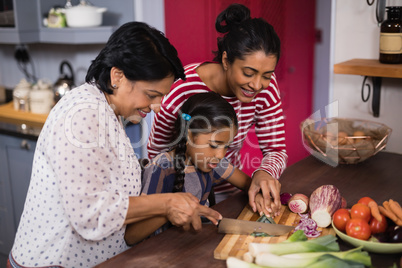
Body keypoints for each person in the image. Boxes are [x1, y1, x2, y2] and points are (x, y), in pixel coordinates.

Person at [8, 22, 222, 268]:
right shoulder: (81, 115)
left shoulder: (106, 110)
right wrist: (167, 202)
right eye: (152, 95)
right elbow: (90, 214)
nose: (157, 106)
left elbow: (105, 176)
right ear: (117, 76)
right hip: (55, 261)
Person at [147, 3, 287, 217]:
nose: (258, 85)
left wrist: (263, 174)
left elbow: (276, 149)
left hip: (230, 197)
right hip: (179, 200)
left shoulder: (266, 89)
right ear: (225, 60)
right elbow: (157, 153)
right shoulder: (182, 88)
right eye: (248, 73)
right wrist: (177, 200)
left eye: (266, 75)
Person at [125, 92, 266, 245]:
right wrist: (171, 209)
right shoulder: (161, 168)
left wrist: (256, 194)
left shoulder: (210, 160)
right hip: (162, 252)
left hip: (194, 245)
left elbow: (248, 184)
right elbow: (132, 236)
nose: (220, 154)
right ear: (189, 135)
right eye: (213, 145)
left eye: (226, 146)